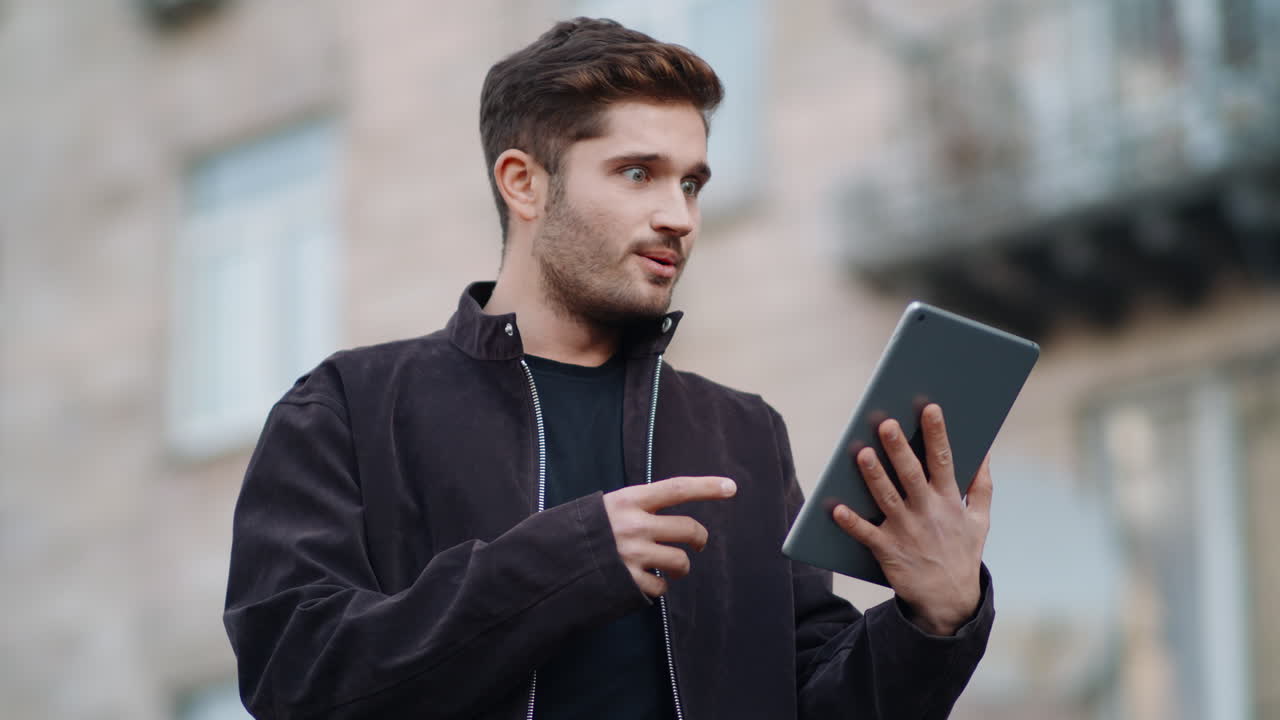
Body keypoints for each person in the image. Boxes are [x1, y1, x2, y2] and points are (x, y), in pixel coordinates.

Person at [223, 17, 995, 720]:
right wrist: (571, 560)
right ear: (524, 183)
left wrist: (933, 621)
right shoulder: (351, 408)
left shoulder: (742, 433)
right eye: (637, 173)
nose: (678, 216)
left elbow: (810, 700)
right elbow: (294, 676)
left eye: (691, 183)